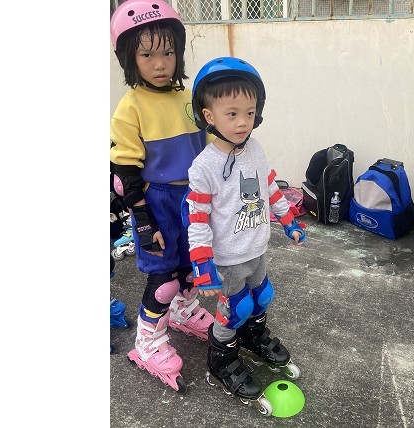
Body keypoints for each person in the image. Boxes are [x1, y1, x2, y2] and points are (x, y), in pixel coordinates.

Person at [182, 57, 306, 414]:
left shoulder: (255, 148)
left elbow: (268, 187)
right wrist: (202, 263)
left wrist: (288, 220)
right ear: (209, 116)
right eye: (232, 114)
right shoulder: (204, 167)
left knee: (262, 296)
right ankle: (221, 358)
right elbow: (197, 218)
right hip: (229, 258)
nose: (243, 122)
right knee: (236, 308)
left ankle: (252, 337)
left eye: (250, 113)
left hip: (256, 247)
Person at [109, 0, 214, 393]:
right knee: (164, 276)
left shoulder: (189, 97)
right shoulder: (130, 108)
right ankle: (147, 341)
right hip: (158, 203)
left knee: (190, 266)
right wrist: (142, 218)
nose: (160, 63)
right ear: (129, 58)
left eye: (168, 52)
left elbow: (208, 149)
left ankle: (184, 312)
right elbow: (125, 169)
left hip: (193, 198)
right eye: (147, 55)